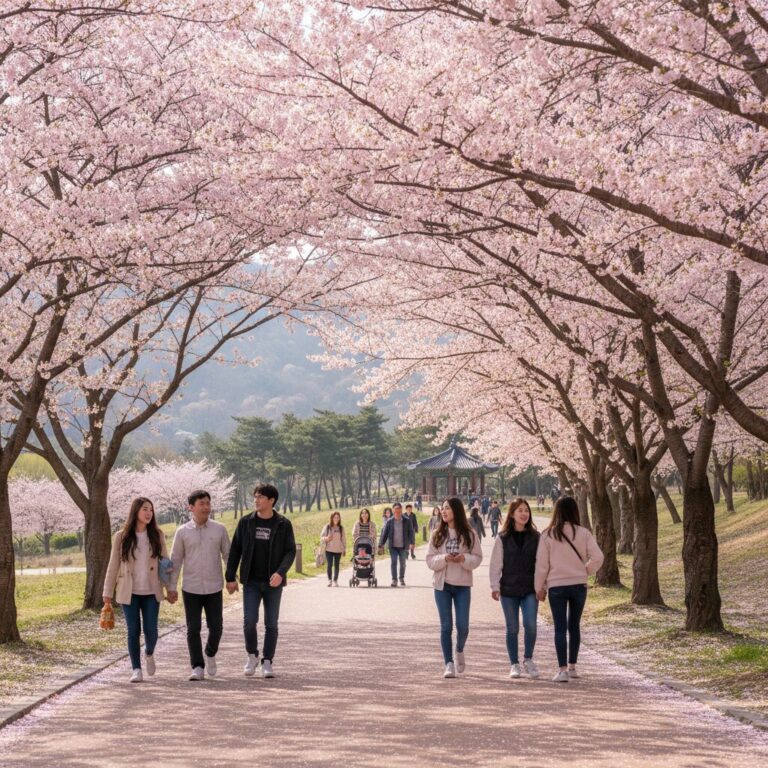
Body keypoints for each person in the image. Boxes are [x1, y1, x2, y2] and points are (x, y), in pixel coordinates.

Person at [226, 483, 296, 679]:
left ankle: (267, 661)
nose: (256, 500)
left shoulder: (283, 524)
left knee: (271, 623)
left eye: (260, 497)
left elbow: (290, 551)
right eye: (255, 496)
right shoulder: (246, 522)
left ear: (271, 500)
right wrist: (230, 576)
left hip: (273, 583)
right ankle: (252, 656)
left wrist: (281, 573)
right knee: (249, 621)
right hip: (251, 581)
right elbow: (235, 551)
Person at [535, 496, 604, 682]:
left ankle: (562, 670)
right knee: (574, 625)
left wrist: (539, 588)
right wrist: (584, 571)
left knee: (560, 627)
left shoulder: (547, 535)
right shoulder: (583, 533)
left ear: (556, 511)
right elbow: (598, 557)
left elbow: (542, 565)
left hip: (557, 586)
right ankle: (573, 666)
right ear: (575, 511)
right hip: (579, 585)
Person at [103, 497, 169, 683]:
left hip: (151, 591)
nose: (149, 513)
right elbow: (113, 565)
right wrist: (107, 592)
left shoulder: (157, 534)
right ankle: (136, 669)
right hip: (128, 591)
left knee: (151, 631)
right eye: (145, 509)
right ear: (136, 512)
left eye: (151, 510)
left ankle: (149, 653)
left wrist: (170, 588)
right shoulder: (121, 536)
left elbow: (166, 563)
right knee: (133, 630)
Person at [167, 490, 230, 681]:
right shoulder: (182, 532)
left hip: (214, 587)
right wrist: (171, 587)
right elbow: (175, 561)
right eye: (201, 503)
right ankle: (197, 666)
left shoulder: (219, 529)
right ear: (191, 507)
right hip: (191, 587)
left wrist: (232, 578)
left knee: (216, 627)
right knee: (193, 628)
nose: (206, 507)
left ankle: (210, 653)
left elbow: (228, 556)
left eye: (208, 503)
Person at [426, 497, 483, 678]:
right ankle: (448, 663)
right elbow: (429, 560)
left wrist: (463, 558)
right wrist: (444, 558)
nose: (443, 512)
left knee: (463, 626)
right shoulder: (437, 534)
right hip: (442, 586)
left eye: (447, 509)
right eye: (442, 509)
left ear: (456, 511)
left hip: (462, 585)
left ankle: (459, 649)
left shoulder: (469, 534)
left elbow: (478, 557)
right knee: (446, 626)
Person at [489, 498, 540, 679]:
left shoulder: (536, 537)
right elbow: (495, 564)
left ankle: (528, 659)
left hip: (530, 588)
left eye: (526, 510)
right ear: (512, 513)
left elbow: (541, 564)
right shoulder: (502, 538)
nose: (524, 513)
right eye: (520, 510)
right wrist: (495, 586)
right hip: (508, 589)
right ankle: (514, 664)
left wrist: (542, 586)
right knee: (512, 628)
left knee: (531, 625)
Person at [378, 502, 414, 587]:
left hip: (403, 546)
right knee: (393, 561)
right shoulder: (390, 521)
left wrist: (412, 543)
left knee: (403, 563)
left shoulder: (407, 520)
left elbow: (411, 532)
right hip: (393, 546)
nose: (397, 512)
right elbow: (385, 533)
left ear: (401, 510)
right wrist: (381, 544)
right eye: (396, 510)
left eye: (399, 510)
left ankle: (401, 578)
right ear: (393, 511)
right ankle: (394, 580)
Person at [321, 511, 346, 587]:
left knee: (337, 565)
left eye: (338, 517)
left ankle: (335, 580)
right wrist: (327, 538)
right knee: (329, 565)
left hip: (338, 550)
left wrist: (344, 549)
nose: (336, 519)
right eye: (335, 517)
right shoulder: (327, 527)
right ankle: (329, 580)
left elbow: (343, 539)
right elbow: (321, 537)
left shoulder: (341, 528)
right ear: (332, 518)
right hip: (328, 549)